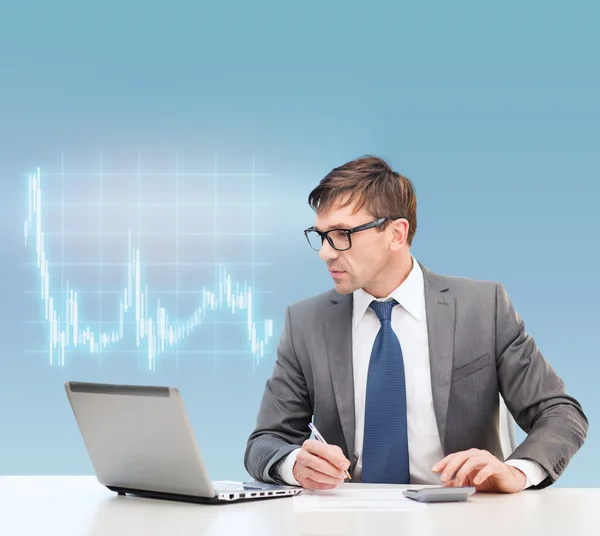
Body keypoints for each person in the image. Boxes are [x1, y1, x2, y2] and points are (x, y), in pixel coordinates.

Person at [244, 155, 588, 492]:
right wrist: (292, 464)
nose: (326, 252)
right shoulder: (306, 322)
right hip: (347, 519)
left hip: (461, 515)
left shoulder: (483, 308)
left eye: (341, 234)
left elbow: (560, 413)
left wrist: (515, 472)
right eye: (321, 236)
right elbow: (265, 441)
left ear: (396, 233)